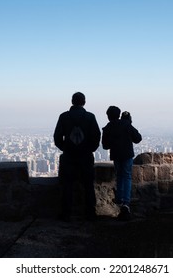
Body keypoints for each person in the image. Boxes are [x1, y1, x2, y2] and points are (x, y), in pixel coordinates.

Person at [54, 92, 101, 221]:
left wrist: (65, 148)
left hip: (69, 156)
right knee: (88, 185)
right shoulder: (90, 117)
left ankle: (66, 213)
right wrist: (90, 149)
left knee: (67, 185)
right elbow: (96, 136)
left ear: (72, 101)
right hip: (85, 156)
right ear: (84, 102)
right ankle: (90, 213)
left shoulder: (64, 117)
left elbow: (57, 137)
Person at [102, 106, 142, 221]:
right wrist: (129, 123)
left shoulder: (108, 127)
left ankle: (119, 198)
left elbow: (105, 146)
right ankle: (126, 202)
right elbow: (138, 138)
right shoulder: (126, 125)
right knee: (127, 176)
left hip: (116, 155)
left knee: (119, 176)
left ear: (108, 116)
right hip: (127, 154)